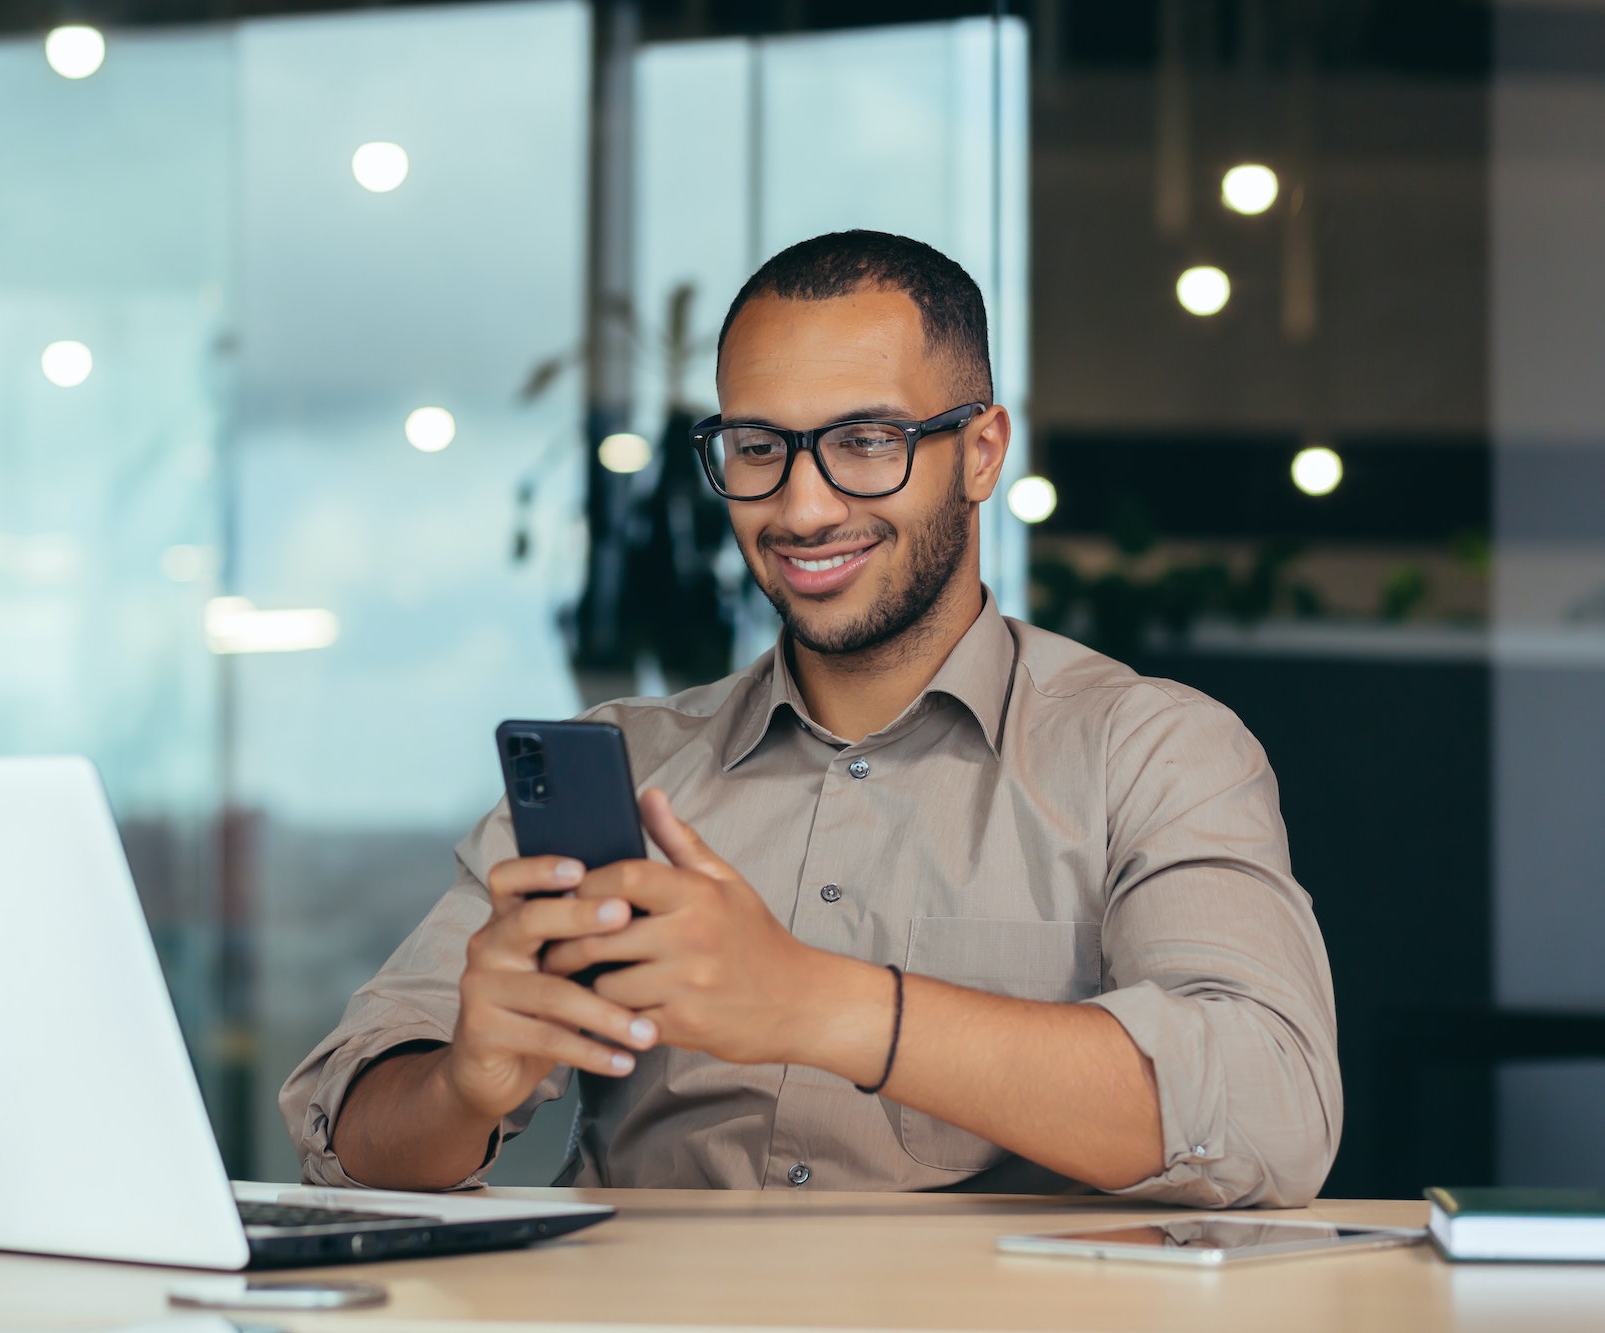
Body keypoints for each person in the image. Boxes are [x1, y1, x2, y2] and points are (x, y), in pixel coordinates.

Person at [281, 229, 1340, 1206]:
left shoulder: (1149, 752)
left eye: (867, 440)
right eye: (757, 446)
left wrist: (819, 1004)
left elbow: (1269, 1111)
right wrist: (464, 1086)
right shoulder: (626, 763)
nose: (800, 506)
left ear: (978, 451)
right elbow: (343, 1137)